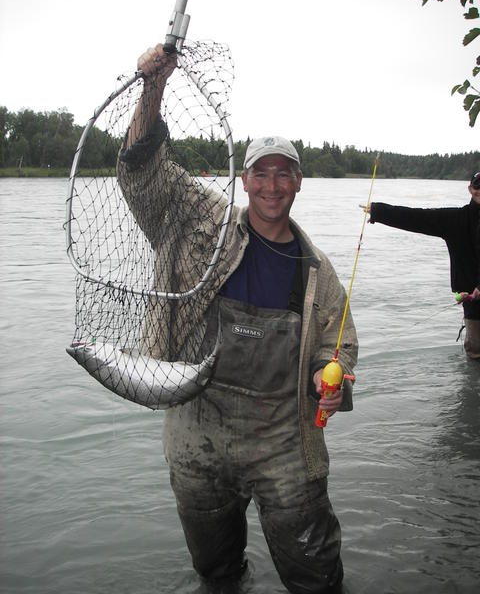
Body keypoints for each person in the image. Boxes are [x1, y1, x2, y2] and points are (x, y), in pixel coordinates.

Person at [117, 43, 358, 594]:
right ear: (244, 181)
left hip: (284, 442)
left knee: (318, 578)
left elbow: (337, 346)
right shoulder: (198, 223)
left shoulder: (317, 272)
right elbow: (141, 173)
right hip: (194, 434)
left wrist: (335, 377)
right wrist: (152, 87)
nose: (272, 186)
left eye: (284, 174)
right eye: (261, 174)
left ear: (299, 182)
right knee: (217, 575)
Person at [363, 174, 480, 359]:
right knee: (475, 356)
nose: (479, 190)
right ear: (470, 189)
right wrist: (379, 212)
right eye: (477, 186)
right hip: (474, 305)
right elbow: (419, 218)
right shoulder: (456, 220)